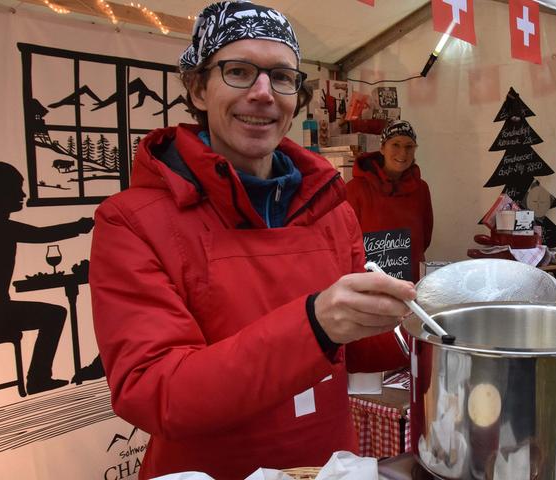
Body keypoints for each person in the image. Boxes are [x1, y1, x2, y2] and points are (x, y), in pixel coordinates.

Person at [89, 2, 413, 478]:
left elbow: (355, 349)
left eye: (282, 77)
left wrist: (429, 323)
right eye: (239, 71)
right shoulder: (130, 222)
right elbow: (154, 389)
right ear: (198, 88)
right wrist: (315, 324)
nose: (264, 93)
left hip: (330, 466)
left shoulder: (333, 211)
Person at [0, 162, 94, 394]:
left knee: (54, 313)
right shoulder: (1, 227)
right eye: (16, 189)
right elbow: (41, 235)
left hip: (1, 310)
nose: (22, 194)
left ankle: (38, 378)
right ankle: (38, 378)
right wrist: (79, 227)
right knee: (55, 314)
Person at [346, 120, 434, 282]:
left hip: (411, 283)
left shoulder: (421, 189)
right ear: (382, 148)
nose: (402, 153)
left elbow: (425, 237)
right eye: (396, 145)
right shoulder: (355, 189)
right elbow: (346, 240)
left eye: (409, 146)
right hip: (369, 285)